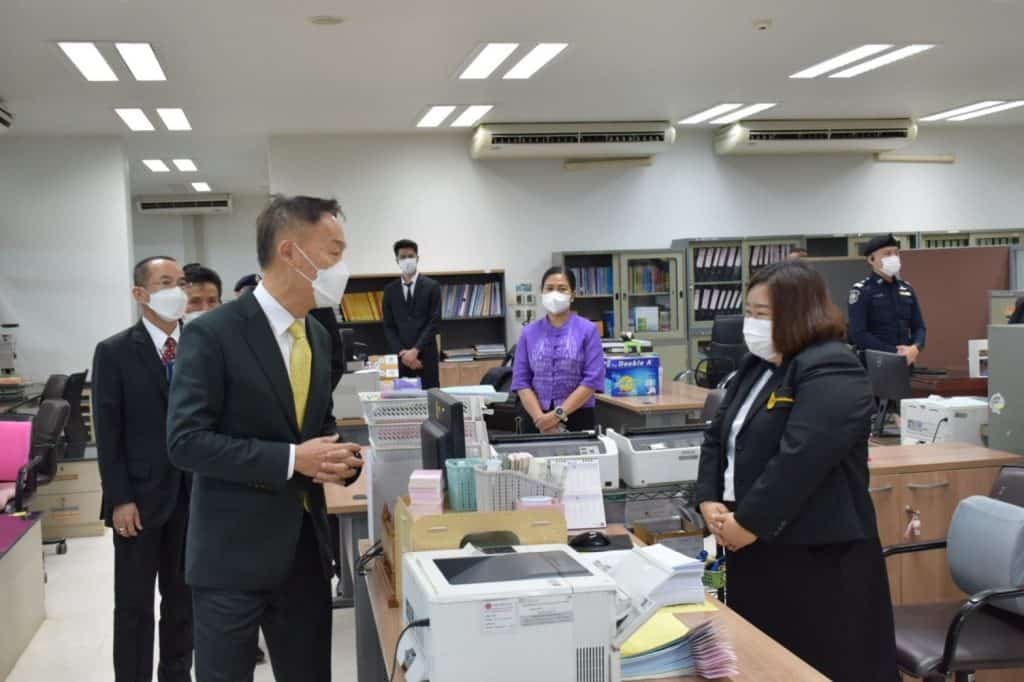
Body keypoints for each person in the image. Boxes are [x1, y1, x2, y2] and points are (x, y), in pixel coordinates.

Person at [167, 195, 363, 682]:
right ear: (291, 252)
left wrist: (337, 458)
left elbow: (315, 428)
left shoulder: (318, 336)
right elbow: (186, 441)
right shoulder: (212, 334)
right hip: (231, 555)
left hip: (304, 553)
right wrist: (294, 458)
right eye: (334, 251)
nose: (344, 266)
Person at [696, 260, 897, 682]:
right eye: (748, 312)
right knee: (761, 660)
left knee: (815, 665)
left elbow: (802, 457)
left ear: (798, 312)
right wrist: (709, 498)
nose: (751, 323)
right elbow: (719, 435)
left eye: (762, 314)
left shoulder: (831, 366)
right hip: (752, 543)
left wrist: (749, 521)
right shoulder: (757, 364)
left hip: (816, 556)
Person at [92, 256, 193, 682]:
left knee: (182, 600)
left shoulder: (201, 345)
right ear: (140, 294)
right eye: (165, 282)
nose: (177, 291)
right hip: (137, 501)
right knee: (134, 605)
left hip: (192, 497)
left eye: (181, 282)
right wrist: (120, 499)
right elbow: (108, 434)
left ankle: (176, 675)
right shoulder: (114, 352)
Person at [511, 266, 605, 433]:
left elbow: (592, 380)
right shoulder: (529, 332)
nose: (555, 293)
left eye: (562, 289)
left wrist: (556, 416)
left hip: (578, 416)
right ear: (542, 293)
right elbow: (521, 381)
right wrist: (540, 419)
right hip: (535, 419)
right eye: (549, 288)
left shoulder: (588, 330)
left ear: (573, 295)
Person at [848, 233, 927, 365]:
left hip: (906, 361)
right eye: (887, 253)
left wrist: (915, 347)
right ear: (871, 259)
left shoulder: (906, 289)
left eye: (896, 253)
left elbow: (919, 327)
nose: (894, 257)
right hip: (876, 364)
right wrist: (894, 352)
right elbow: (858, 334)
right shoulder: (862, 291)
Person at [381, 239, 442, 389]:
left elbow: (434, 322)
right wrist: (404, 354)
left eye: (410, 256)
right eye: (402, 257)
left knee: (432, 402)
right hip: (401, 360)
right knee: (404, 404)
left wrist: (415, 351)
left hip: (426, 358)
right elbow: (389, 326)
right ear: (397, 260)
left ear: (417, 258)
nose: (407, 260)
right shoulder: (390, 290)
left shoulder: (432, 286)